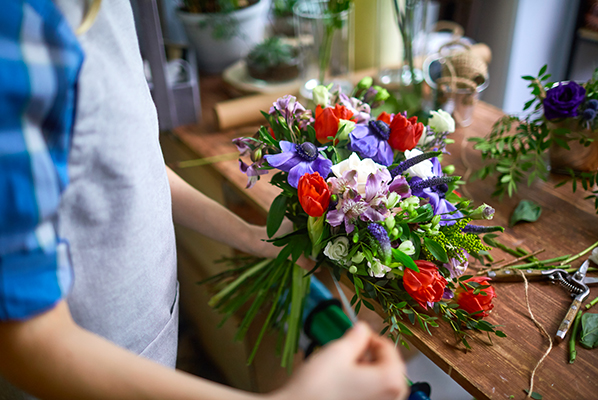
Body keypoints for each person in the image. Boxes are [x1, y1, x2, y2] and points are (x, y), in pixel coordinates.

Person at [0, 1, 409, 399]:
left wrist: (251, 235)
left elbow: (125, 163)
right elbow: (24, 340)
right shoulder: (20, 27)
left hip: (143, 340)